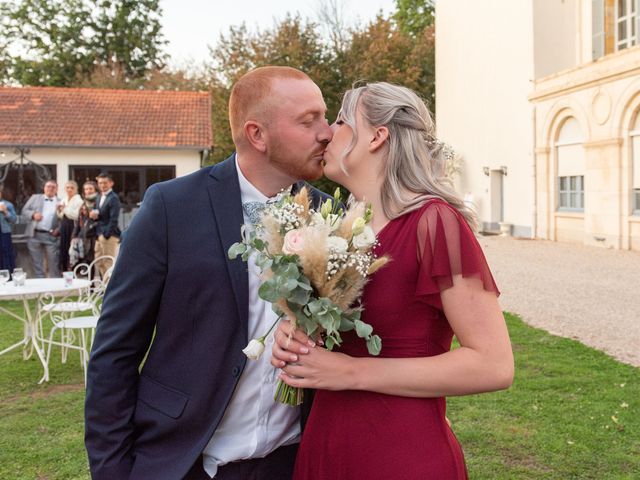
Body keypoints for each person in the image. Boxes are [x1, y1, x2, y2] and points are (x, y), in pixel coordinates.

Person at [85, 66, 334, 480]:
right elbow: (115, 350)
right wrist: (112, 471)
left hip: (294, 461)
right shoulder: (171, 206)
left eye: (324, 117)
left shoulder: (333, 218)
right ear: (257, 135)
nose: (326, 132)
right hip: (183, 460)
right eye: (309, 121)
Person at [271, 82, 514, 480]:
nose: (329, 133)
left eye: (341, 121)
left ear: (378, 137)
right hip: (326, 445)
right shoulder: (343, 230)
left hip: (398, 453)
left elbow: (494, 364)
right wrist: (296, 331)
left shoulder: (434, 223)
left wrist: (352, 372)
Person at [21, 179, 61, 278]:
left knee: (54, 262)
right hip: (34, 234)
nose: (50, 189)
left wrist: (59, 229)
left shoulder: (60, 202)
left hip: (51, 236)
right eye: (48, 186)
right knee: (37, 263)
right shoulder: (35, 198)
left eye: (53, 187)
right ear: (44, 188)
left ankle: (55, 286)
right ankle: (40, 286)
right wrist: (33, 214)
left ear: (57, 189)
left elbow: (64, 219)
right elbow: (24, 211)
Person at [89, 173, 121, 276]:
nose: (102, 185)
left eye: (105, 183)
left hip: (109, 235)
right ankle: (104, 288)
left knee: (108, 263)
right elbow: (101, 215)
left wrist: (106, 235)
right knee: (99, 262)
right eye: (100, 183)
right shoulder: (99, 197)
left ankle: (110, 289)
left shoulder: (114, 198)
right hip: (99, 234)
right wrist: (94, 215)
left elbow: (113, 219)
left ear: (111, 183)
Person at [57, 180, 83, 271]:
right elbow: (61, 215)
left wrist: (64, 209)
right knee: (63, 248)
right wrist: (59, 210)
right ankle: (64, 270)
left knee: (71, 249)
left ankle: (74, 269)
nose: (69, 189)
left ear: (76, 189)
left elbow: (76, 216)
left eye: (72, 188)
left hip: (73, 226)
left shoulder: (79, 200)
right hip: (64, 225)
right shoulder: (64, 199)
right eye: (67, 187)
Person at [70, 203, 97, 267]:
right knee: (78, 258)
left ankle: (89, 274)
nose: (84, 211)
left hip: (89, 241)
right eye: (82, 209)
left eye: (85, 209)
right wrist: (73, 237)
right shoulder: (81, 217)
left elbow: (90, 230)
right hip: (80, 241)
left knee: (89, 259)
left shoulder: (91, 219)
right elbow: (76, 228)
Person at [0, 183, 17, 271]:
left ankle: (8, 275)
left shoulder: (8, 204)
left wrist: (6, 211)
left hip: (4, 233)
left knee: (6, 253)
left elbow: (14, 219)